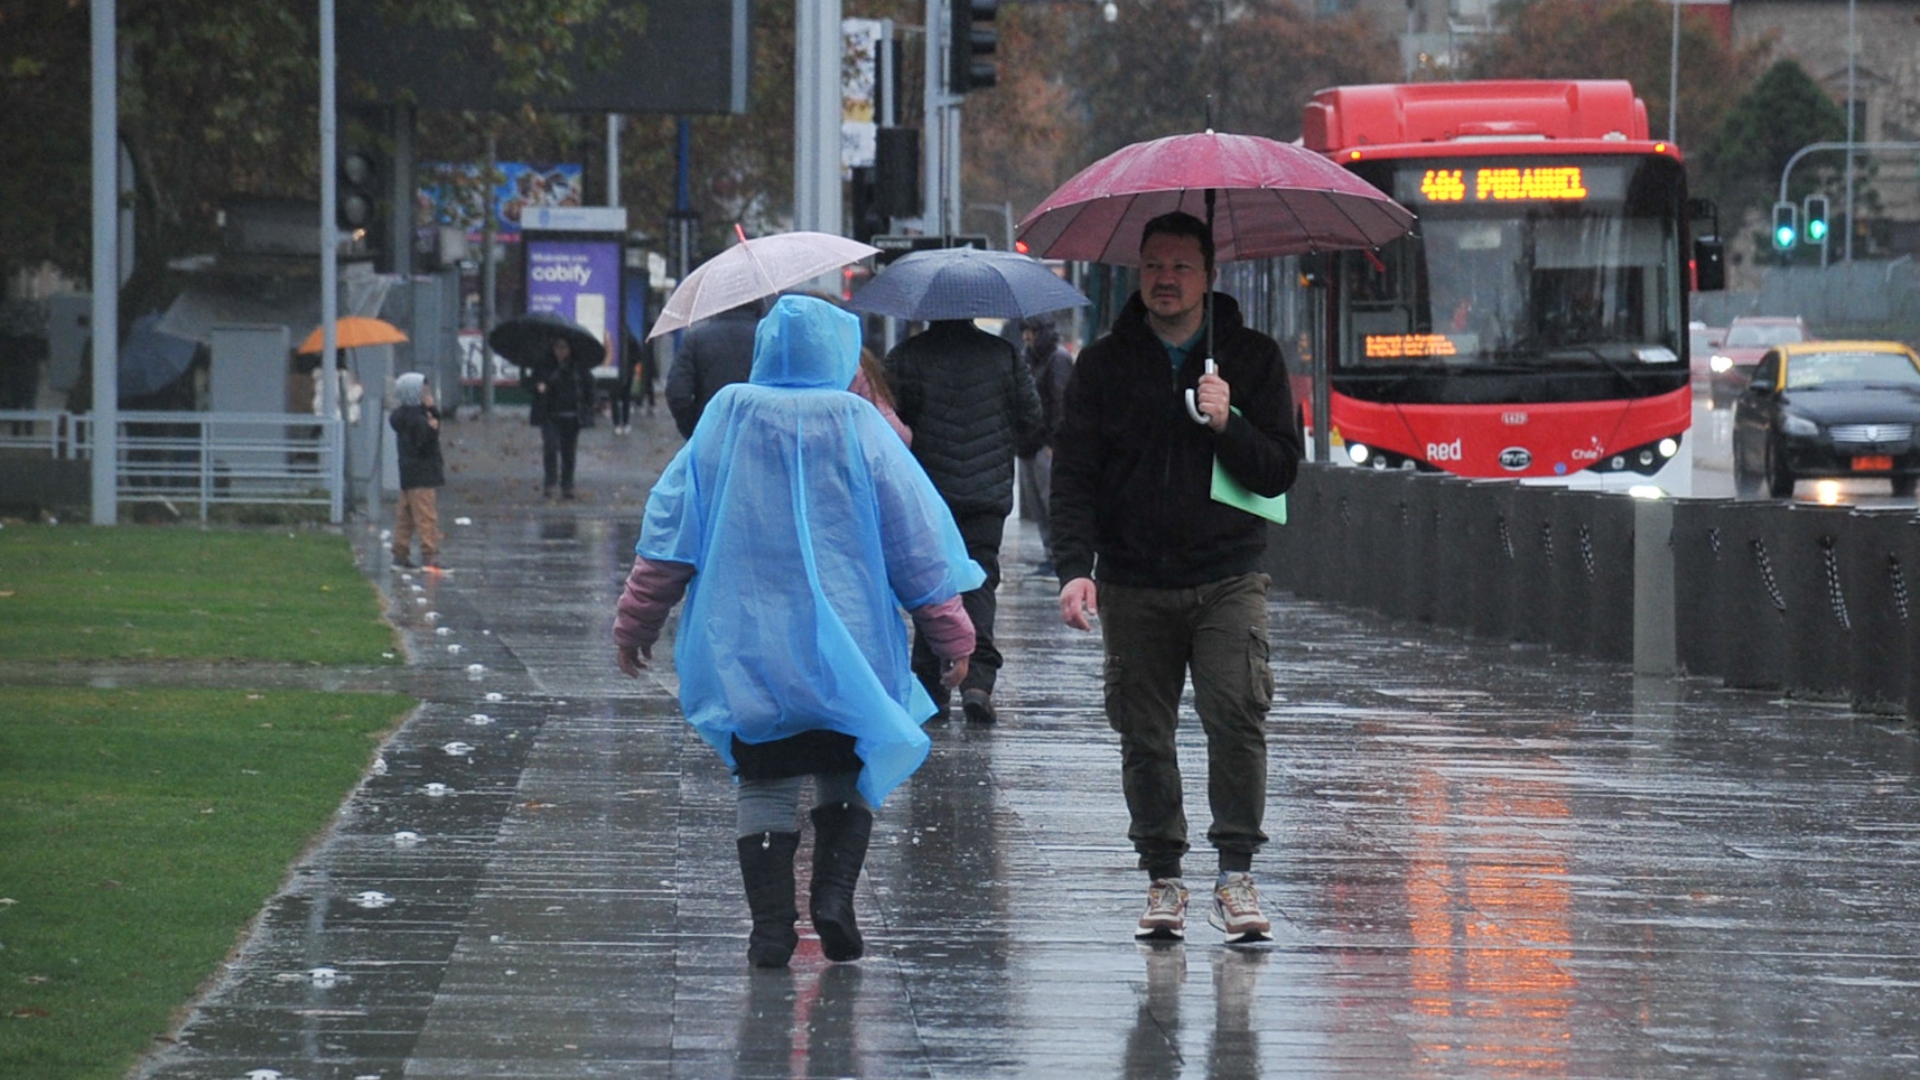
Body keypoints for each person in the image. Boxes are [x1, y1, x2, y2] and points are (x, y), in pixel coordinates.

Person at [613, 295, 981, 969]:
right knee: (845, 767)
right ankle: (834, 898)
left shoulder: (726, 417)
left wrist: (636, 621)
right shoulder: (860, 424)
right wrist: (952, 633)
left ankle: (771, 927)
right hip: (849, 641)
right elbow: (915, 543)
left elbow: (670, 532)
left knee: (764, 778)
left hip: (749, 642)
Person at [1051, 210, 1303, 944]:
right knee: (1145, 735)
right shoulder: (1102, 365)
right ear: (1140, 274)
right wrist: (1076, 569)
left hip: (1227, 574)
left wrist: (1232, 424)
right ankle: (1163, 875)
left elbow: (1281, 468)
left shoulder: (1252, 359)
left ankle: (1235, 872)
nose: (1166, 280)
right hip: (1133, 581)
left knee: (1236, 717)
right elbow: (1075, 476)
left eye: (1181, 267)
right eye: (1154, 266)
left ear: (1209, 277)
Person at [885, 317, 1044, 725]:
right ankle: (977, 681)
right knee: (979, 580)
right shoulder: (1004, 355)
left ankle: (931, 684)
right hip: (985, 497)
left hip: (927, 494)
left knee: (929, 583)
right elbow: (1031, 420)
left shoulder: (907, 357)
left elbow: (890, 424)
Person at [1018, 315, 1074, 573]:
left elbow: (1062, 402)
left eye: (1030, 331)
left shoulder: (1057, 358)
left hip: (1046, 443)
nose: (1026, 337)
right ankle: (1049, 552)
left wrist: (1055, 442)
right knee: (1037, 504)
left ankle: (1058, 555)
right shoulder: (1029, 358)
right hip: (1029, 441)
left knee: (1050, 500)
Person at [666, 299, 761, 439]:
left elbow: (677, 393)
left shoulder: (696, 340)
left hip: (710, 436)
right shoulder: (768, 338)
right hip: (757, 437)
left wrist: (695, 430)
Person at [388, 372, 445, 570]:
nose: (427, 395)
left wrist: (433, 413)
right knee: (426, 516)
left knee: (405, 516)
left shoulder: (402, 416)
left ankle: (400, 555)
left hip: (408, 474)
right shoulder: (418, 419)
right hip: (423, 474)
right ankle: (430, 556)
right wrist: (433, 427)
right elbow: (425, 444)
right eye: (424, 391)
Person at [529, 335, 589, 498]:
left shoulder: (577, 367)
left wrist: (587, 409)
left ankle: (567, 484)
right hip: (549, 414)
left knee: (568, 451)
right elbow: (531, 383)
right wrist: (538, 386)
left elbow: (587, 387)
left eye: (564, 348)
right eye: (558, 347)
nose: (561, 352)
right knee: (550, 447)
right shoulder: (544, 366)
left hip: (571, 415)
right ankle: (550, 482)